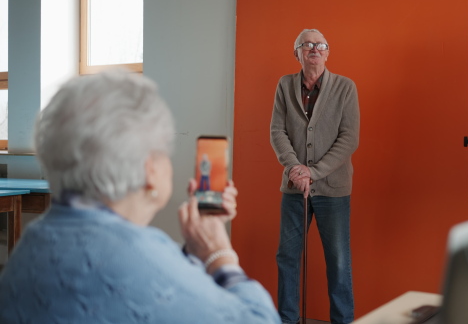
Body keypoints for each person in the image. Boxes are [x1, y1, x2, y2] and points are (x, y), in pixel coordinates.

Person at [0, 70, 280, 324]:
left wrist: (195, 248)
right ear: (150, 169)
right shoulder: (139, 263)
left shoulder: (30, 245)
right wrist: (219, 255)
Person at [270, 29, 360, 324]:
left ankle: (342, 320)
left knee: (338, 260)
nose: (314, 49)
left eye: (320, 45)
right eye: (306, 44)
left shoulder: (345, 88)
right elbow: (277, 132)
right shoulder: (285, 85)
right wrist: (296, 170)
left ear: (328, 52)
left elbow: (349, 139)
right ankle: (287, 319)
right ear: (296, 53)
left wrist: (314, 172)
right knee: (287, 257)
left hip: (333, 189)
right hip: (294, 188)